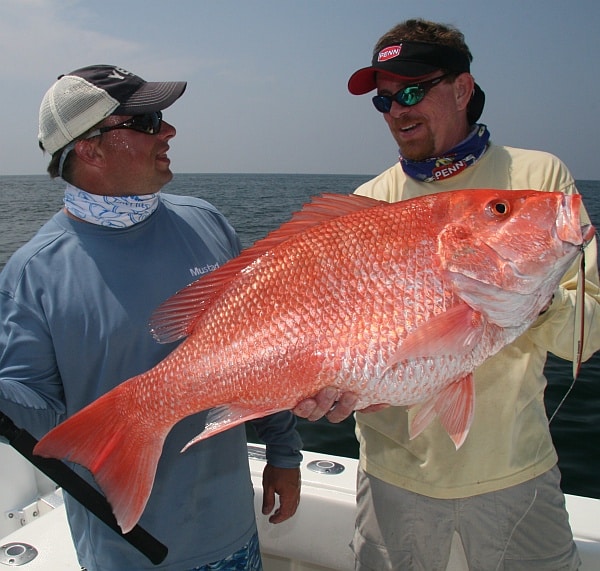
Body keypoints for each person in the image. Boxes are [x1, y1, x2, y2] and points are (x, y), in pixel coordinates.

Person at [298, 18, 600, 570]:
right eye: (384, 101)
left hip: (517, 476)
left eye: (412, 91)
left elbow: (590, 333)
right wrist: (327, 392)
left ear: (462, 88)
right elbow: (343, 348)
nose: (398, 111)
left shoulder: (537, 181)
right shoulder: (370, 203)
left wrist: (532, 296)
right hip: (394, 482)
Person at [0, 64, 304, 571]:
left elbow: (264, 350)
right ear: (89, 149)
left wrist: (284, 452)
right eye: (144, 122)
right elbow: (40, 418)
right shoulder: (33, 273)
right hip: (127, 552)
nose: (168, 130)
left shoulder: (207, 223)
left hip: (234, 531)